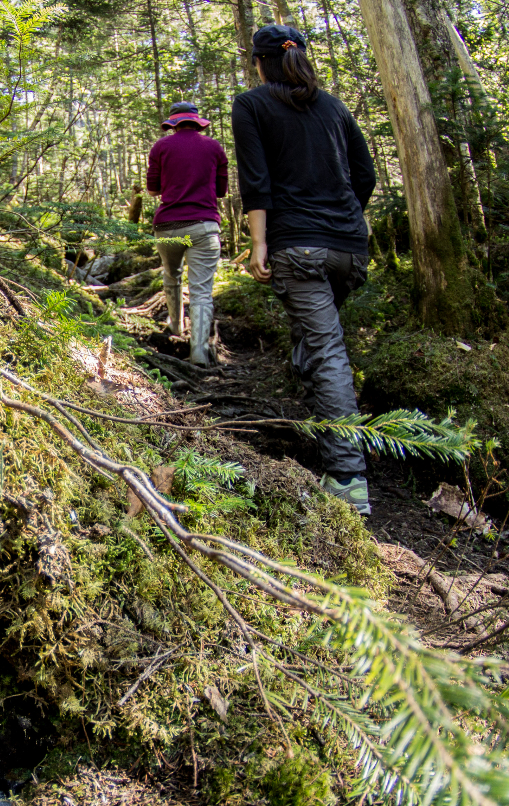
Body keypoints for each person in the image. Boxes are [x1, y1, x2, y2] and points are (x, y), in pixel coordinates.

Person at [231, 25, 377, 515]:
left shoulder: (250, 105)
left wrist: (259, 244)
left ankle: (348, 479)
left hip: (299, 248)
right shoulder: (334, 107)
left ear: (260, 62)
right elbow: (366, 174)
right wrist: (344, 220)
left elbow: (257, 181)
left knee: (326, 349)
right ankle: (319, 399)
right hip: (350, 248)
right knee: (318, 340)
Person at [146, 101, 229, 366]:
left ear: (173, 122)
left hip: (169, 226)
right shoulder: (214, 147)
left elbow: (152, 189)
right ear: (197, 121)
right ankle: (199, 352)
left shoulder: (161, 147)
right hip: (204, 227)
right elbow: (221, 191)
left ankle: (175, 328)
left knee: (172, 276)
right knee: (201, 291)